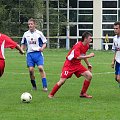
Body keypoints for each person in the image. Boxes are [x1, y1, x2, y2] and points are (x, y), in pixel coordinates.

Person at [48, 31, 94, 99]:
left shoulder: (86, 46)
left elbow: (83, 55)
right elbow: (78, 57)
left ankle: (83, 93)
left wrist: (88, 64)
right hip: (69, 65)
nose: (91, 40)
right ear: (85, 39)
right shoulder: (78, 45)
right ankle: (51, 95)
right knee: (62, 81)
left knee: (89, 75)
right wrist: (89, 56)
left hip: (77, 64)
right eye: (90, 38)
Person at [21, 18, 48, 92]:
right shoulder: (26, 34)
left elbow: (45, 43)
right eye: (29, 24)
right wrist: (21, 50)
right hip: (29, 54)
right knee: (31, 70)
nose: (30, 25)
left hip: (38, 54)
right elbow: (23, 43)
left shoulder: (39, 33)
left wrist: (42, 48)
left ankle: (45, 86)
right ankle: (34, 86)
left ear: (35, 25)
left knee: (40, 68)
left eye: (31, 24)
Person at [111, 21, 120, 86]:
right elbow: (116, 51)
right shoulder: (114, 38)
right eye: (114, 28)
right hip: (118, 61)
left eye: (116, 28)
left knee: (119, 78)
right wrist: (113, 61)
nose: (115, 30)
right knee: (116, 79)